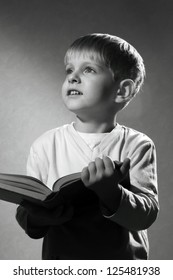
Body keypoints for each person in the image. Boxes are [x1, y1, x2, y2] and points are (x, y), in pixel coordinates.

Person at [16, 33, 159, 260]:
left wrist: (111, 193)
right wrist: (40, 215)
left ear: (122, 90)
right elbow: (28, 219)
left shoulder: (137, 145)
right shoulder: (45, 145)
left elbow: (145, 216)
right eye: (69, 70)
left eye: (88, 70)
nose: (73, 78)